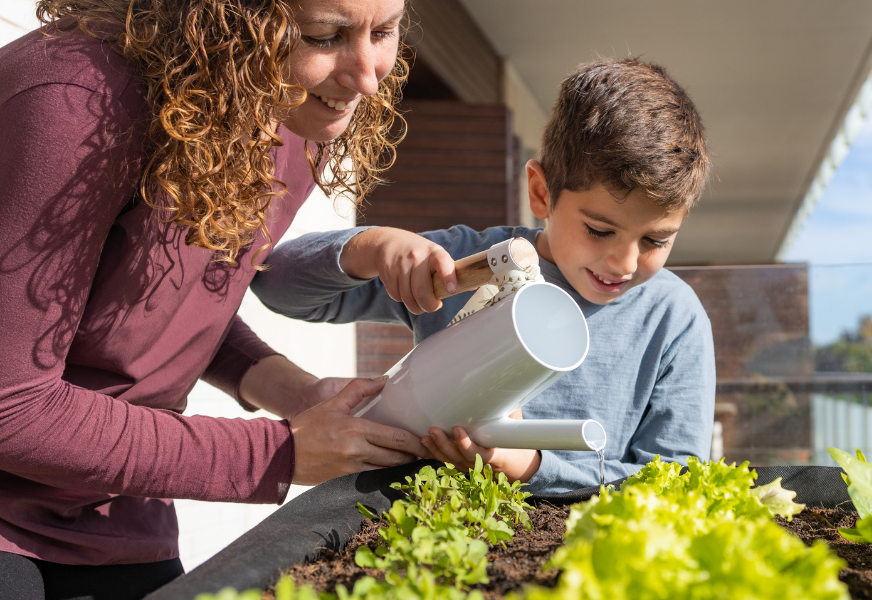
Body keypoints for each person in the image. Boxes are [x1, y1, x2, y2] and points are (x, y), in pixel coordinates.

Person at [0, 0, 443, 596]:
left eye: (383, 31)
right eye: (325, 36)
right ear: (228, 21)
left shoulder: (280, 104)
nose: (367, 75)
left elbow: (153, 294)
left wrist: (295, 392)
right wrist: (278, 455)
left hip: (114, 516)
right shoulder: (73, 104)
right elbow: (13, 407)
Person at [251, 57, 717, 493]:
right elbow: (273, 284)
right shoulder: (471, 263)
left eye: (656, 241)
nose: (625, 263)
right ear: (540, 192)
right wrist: (371, 248)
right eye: (599, 230)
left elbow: (676, 483)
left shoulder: (673, 318)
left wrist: (532, 467)